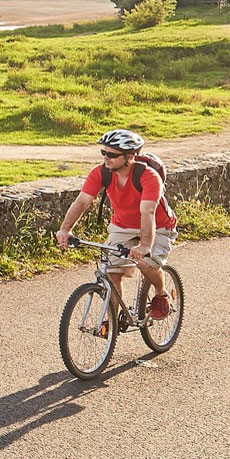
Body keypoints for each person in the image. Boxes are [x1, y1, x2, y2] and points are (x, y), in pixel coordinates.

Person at [55, 128, 177, 320]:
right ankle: (112, 322)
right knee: (111, 271)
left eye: (112, 154)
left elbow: (148, 212)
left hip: (159, 226)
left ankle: (161, 293)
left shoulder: (149, 177)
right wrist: (65, 229)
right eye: (103, 152)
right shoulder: (100, 173)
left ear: (130, 157)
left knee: (145, 262)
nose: (106, 158)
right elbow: (82, 202)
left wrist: (144, 245)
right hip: (122, 226)